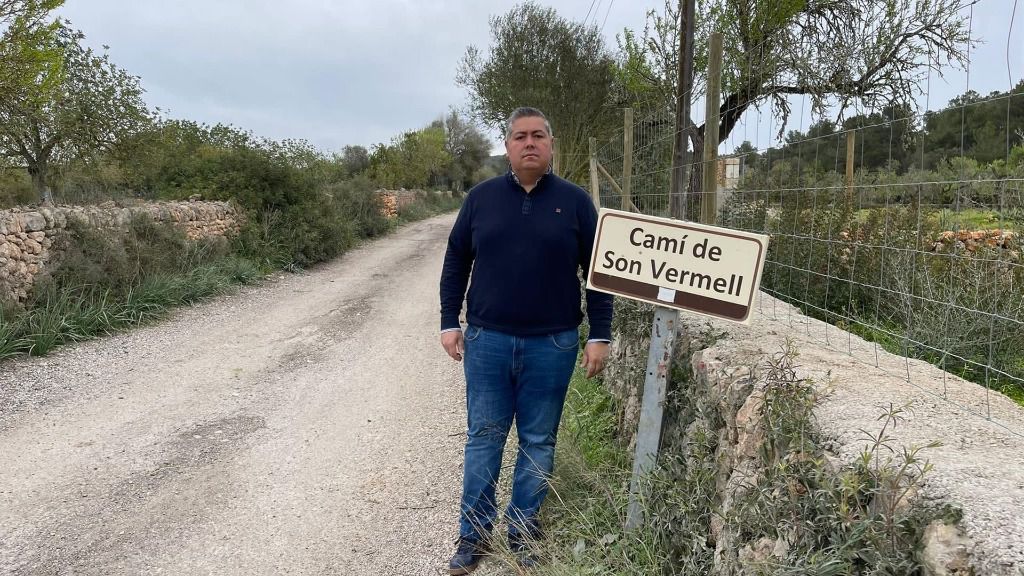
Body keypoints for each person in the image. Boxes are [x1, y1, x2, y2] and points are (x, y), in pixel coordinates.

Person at [438, 106, 613, 574]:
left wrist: (600, 333)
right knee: (484, 438)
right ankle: (473, 536)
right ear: (508, 146)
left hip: (552, 345)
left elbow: (598, 273)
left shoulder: (576, 202)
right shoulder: (481, 199)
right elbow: (456, 260)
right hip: (487, 341)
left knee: (538, 440)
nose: (529, 143)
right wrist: (449, 321)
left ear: (551, 144)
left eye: (538, 135)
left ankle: (523, 531)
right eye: (520, 136)